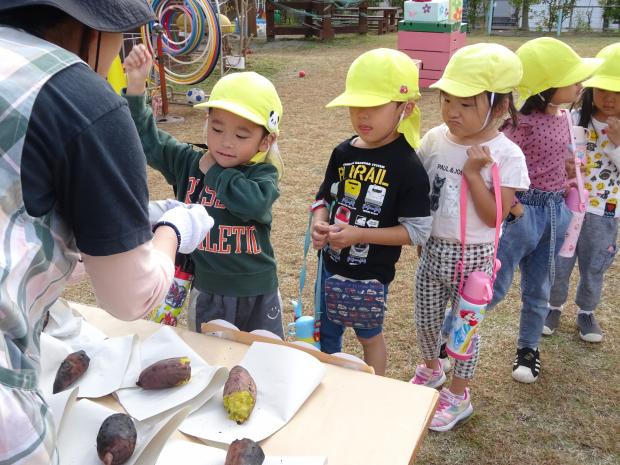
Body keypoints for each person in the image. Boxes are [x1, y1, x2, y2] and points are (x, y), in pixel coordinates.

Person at [0, 1, 213, 462]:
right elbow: (130, 297)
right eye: (120, 39)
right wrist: (173, 228)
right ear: (90, 27)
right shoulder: (82, 98)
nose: (116, 60)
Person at [124, 45, 285, 338]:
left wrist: (214, 171)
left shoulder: (262, 174)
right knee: (210, 360)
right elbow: (148, 141)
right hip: (209, 289)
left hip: (257, 289)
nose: (225, 142)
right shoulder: (189, 161)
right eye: (217, 128)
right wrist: (136, 87)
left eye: (241, 135)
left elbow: (251, 203)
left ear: (265, 141)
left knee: (265, 359)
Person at [411, 43, 529, 431]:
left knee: (464, 333)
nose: (451, 112)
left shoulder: (506, 154)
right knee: (426, 320)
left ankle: (459, 396)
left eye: (465, 104)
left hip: (475, 257)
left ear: (498, 107)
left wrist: (476, 173)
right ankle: (432, 370)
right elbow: (423, 191)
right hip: (433, 250)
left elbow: (495, 215)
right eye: (447, 100)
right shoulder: (434, 139)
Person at [487, 37, 602, 384]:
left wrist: (567, 174)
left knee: (540, 287)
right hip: (525, 213)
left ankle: (528, 348)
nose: (580, 85)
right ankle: (453, 336)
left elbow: (558, 160)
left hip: (556, 212)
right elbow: (496, 169)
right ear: (548, 86)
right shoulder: (519, 125)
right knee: (494, 285)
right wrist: (517, 208)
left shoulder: (565, 117)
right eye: (572, 79)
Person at [311, 48, 432, 376]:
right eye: (356, 106)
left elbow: (417, 231)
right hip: (330, 270)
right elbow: (324, 199)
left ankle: (373, 393)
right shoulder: (342, 152)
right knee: (327, 336)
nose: (362, 116)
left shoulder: (407, 166)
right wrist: (320, 224)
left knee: (370, 338)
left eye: (374, 107)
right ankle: (327, 386)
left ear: (405, 108)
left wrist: (360, 234)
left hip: (370, 278)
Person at [545, 43, 620, 343]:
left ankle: (586, 312)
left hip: (605, 212)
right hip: (570, 207)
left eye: (618, 92)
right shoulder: (573, 120)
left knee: (594, 265)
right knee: (560, 261)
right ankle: (553, 307)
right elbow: (558, 156)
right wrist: (562, 166)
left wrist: (617, 143)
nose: (610, 99)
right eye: (603, 90)